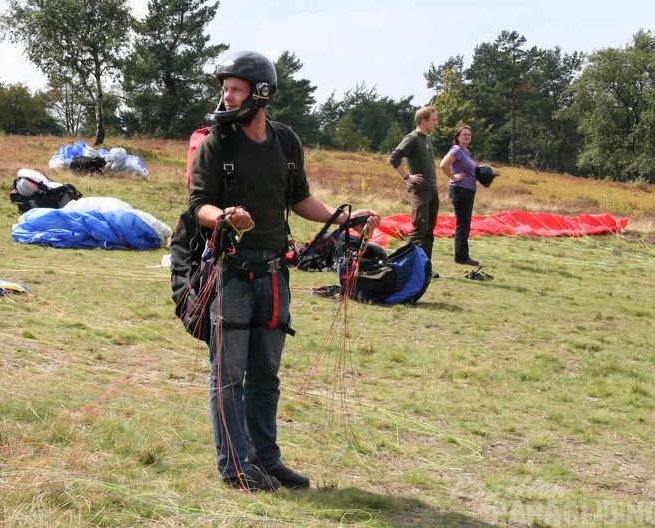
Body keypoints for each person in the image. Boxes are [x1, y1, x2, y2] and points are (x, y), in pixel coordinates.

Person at [188, 50, 380, 492]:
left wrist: (342, 218)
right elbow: (198, 205)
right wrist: (223, 217)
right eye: (225, 89)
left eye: (235, 89)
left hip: (276, 272)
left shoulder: (287, 141)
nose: (227, 97)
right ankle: (235, 466)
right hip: (231, 272)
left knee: (266, 374)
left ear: (261, 93)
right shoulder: (217, 143)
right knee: (229, 374)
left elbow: (300, 199)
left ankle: (266, 460)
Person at [389, 107, 440, 277]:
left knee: (429, 231)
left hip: (432, 190)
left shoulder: (428, 139)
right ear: (424, 121)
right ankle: (399, 265)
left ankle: (424, 268)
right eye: (434, 119)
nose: (436, 122)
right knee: (419, 230)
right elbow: (394, 158)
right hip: (419, 191)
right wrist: (407, 177)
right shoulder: (412, 138)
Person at [440, 125, 480, 266]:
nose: (467, 136)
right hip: (460, 190)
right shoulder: (457, 150)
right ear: (457, 137)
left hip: (468, 191)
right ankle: (461, 257)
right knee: (462, 225)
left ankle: (463, 255)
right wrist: (453, 176)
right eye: (464, 134)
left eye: (469, 134)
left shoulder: (466, 152)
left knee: (465, 224)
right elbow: (443, 164)